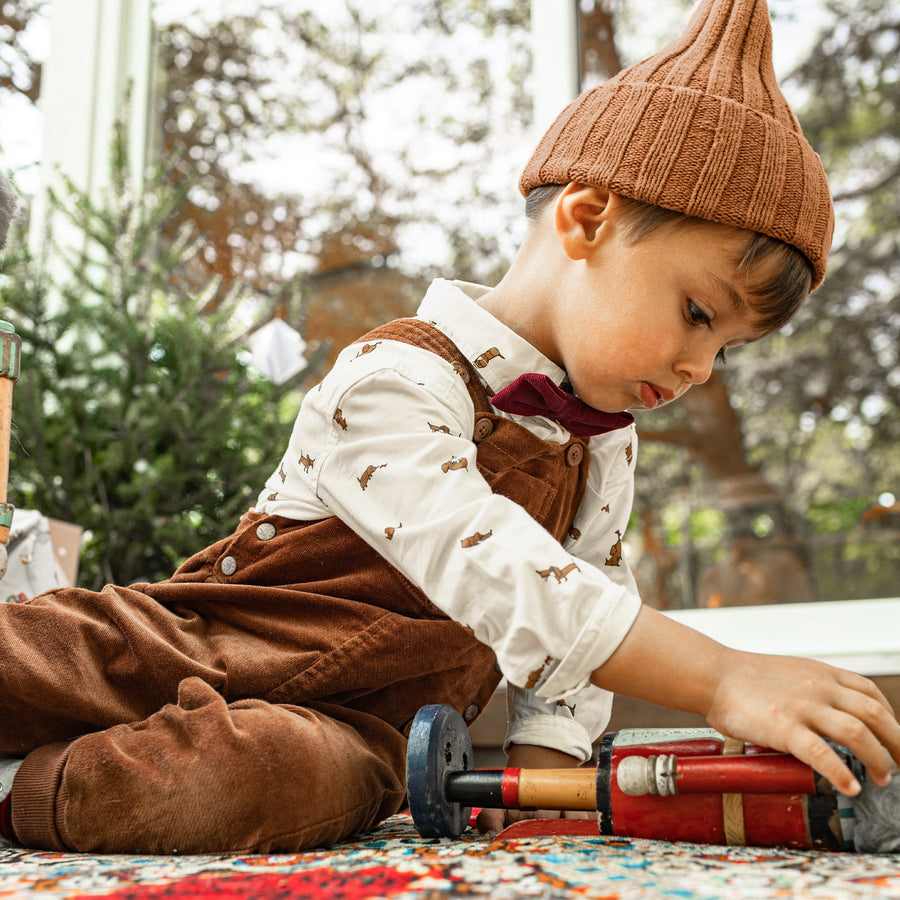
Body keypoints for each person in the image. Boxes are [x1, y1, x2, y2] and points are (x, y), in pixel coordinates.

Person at [0, 0, 897, 854]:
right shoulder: (397, 375)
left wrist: (543, 790)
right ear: (588, 218)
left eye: (726, 352)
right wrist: (720, 675)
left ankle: (29, 793)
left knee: (261, 780)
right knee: (36, 659)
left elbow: (577, 620)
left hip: (353, 730)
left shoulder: (605, 444)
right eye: (700, 315)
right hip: (190, 641)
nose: (701, 371)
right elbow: (489, 561)